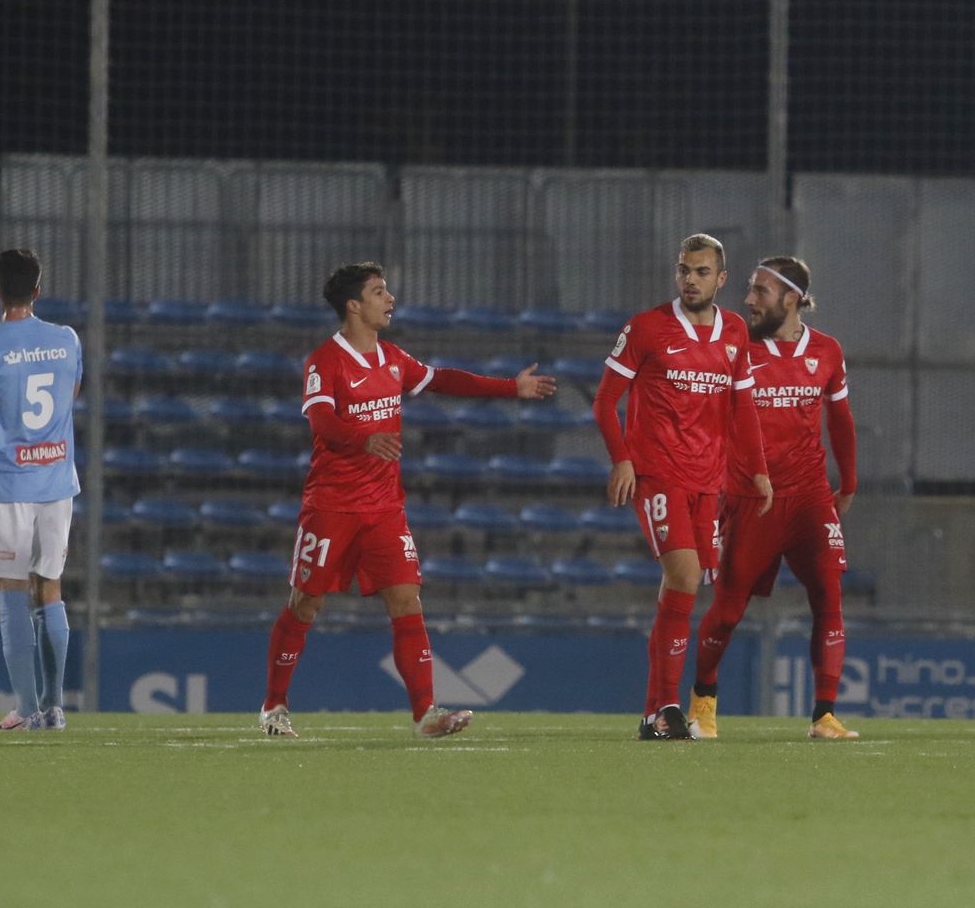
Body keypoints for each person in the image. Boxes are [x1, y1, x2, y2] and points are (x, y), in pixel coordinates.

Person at [259, 261, 557, 738]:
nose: (390, 299)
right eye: (379, 292)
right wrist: (365, 439)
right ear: (354, 305)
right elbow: (322, 422)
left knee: (406, 599)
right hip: (332, 506)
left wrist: (510, 388)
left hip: (384, 509)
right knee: (305, 603)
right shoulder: (325, 361)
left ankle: (426, 713)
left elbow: (444, 379)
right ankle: (274, 705)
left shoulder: (393, 358)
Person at [592, 234, 772, 740]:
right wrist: (623, 460)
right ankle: (669, 706)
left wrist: (757, 471)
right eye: (683, 270)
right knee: (686, 577)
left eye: (700, 272)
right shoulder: (647, 328)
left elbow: (742, 407)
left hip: (707, 481)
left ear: (721, 278)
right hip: (659, 475)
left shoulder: (736, 332)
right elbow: (606, 401)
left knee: (678, 589)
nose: (689, 280)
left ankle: (654, 715)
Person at [686, 256, 860, 740]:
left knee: (829, 598)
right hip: (750, 498)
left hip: (809, 498)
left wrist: (848, 482)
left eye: (759, 291)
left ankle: (824, 715)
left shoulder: (827, 351)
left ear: (790, 298)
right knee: (729, 608)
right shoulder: (735, 346)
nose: (748, 299)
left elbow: (841, 422)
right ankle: (702, 705)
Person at [0, 249, 81, 732]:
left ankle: (26, 710)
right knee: (49, 587)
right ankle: (54, 708)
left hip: (9, 485)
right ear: (39, 290)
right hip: (57, 481)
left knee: (11, 592)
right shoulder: (68, 341)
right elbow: (69, 398)